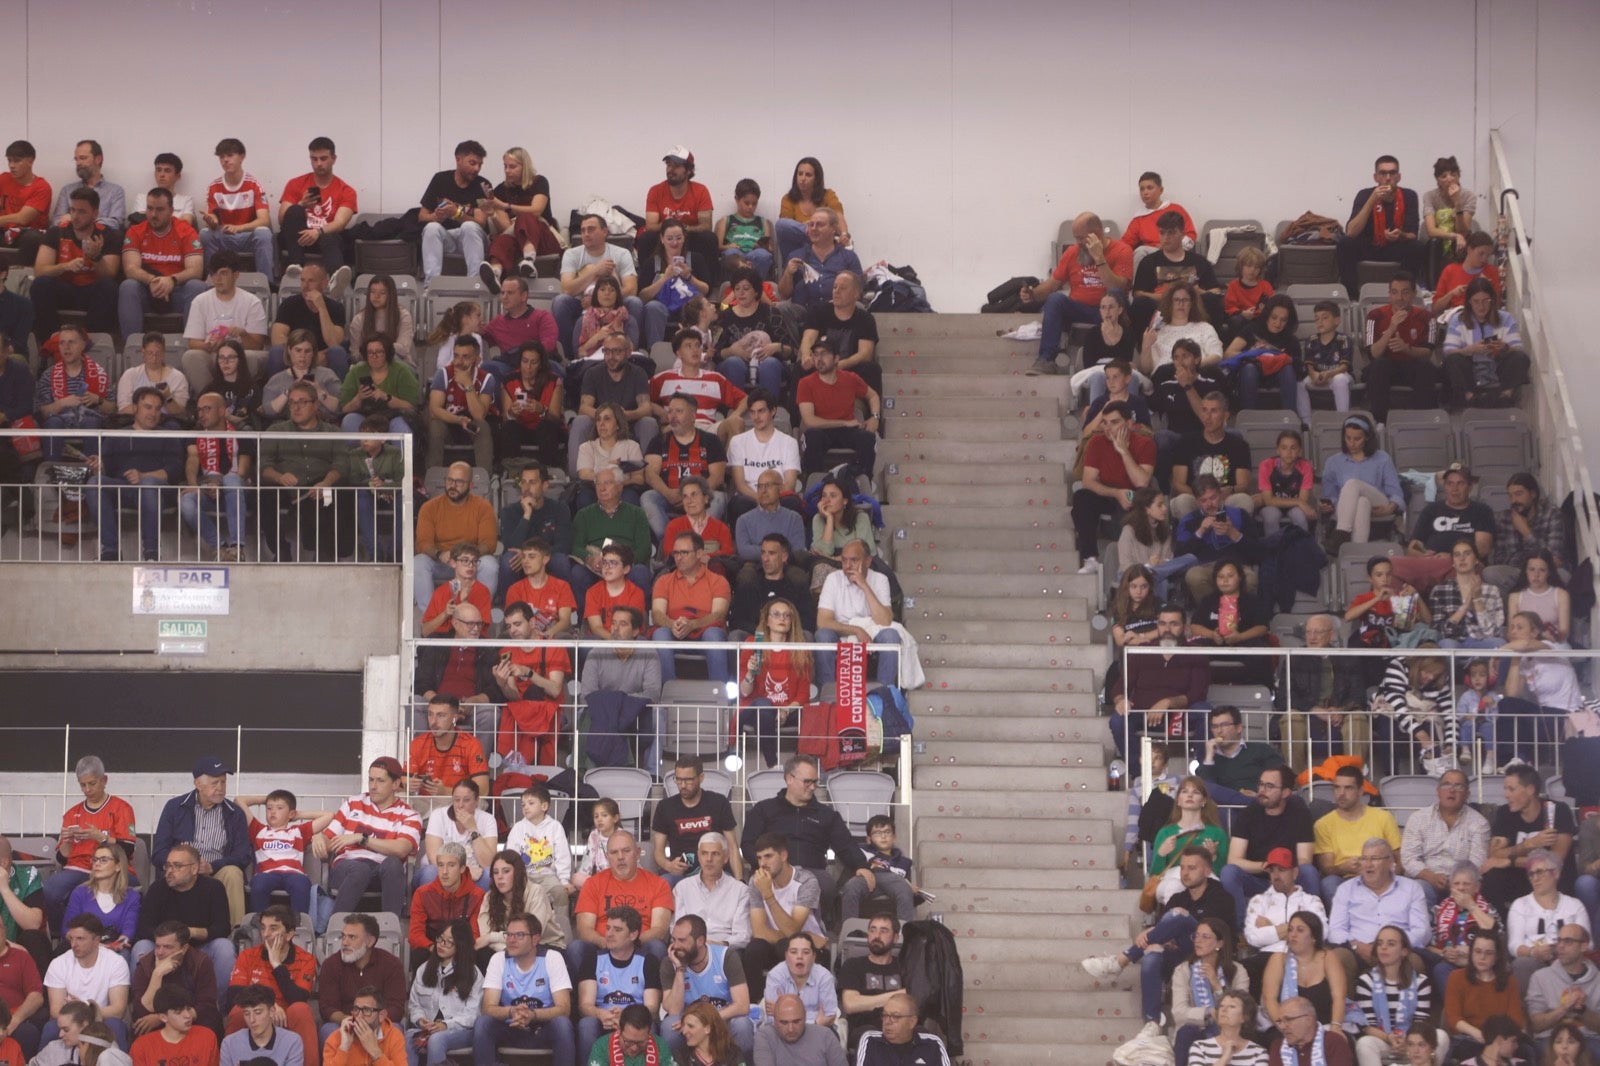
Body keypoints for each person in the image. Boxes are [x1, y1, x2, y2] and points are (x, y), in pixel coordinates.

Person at [1083, 847, 1235, 1056]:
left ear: (1207, 871)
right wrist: (1154, 934)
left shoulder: (1221, 897)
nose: (1185, 873)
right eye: (1182, 868)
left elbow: (1218, 935)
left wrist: (1175, 924)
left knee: (1178, 916)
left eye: (1192, 868)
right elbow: (1163, 933)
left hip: (1212, 957)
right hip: (1182, 956)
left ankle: (1120, 961)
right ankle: (1152, 1023)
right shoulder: (1178, 898)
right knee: (1153, 951)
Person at [317, 759, 424, 918]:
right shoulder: (353, 803)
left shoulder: (409, 815)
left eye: (380, 781)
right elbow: (328, 840)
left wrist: (362, 839)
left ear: (395, 784)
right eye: (371, 779)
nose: (373, 786)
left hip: (380, 873)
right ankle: (336, 925)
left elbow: (402, 849)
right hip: (347, 868)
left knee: (393, 864)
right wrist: (319, 838)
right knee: (360, 869)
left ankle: (389, 926)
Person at [1108, 603, 1211, 759]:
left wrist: (1167, 702)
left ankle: (1204, 769)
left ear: (1184, 627)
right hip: (1144, 713)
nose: (1167, 629)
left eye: (1174, 624)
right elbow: (1119, 688)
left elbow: (1197, 695)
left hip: (1181, 715)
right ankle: (1137, 769)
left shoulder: (1196, 653)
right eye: (1162, 624)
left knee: (1204, 710)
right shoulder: (1143, 651)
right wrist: (1121, 700)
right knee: (1117, 720)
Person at [473, 910, 576, 1065]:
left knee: (562, 1024)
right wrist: (511, 1011)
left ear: (535, 939)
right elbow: (487, 1007)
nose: (511, 940)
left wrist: (532, 1015)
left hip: (543, 1028)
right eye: (509, 934)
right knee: (483, 1023)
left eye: (519, 935)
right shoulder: (498, 959)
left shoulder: (552, 958)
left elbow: (564, 1009)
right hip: (511, 1027)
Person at [1225, 771, 1319, 929]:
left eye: (1269, 786)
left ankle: (1311, 928)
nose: (1262, 790)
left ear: (1286, 792)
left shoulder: (1300, 814)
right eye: (1261, 784)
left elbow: (1305, 860)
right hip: (1257, 879)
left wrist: (1281, 870)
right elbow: (1233, 860)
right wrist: (1266, 866)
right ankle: (1240, 932)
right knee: (1229, 872)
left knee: (1309, 871)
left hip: (1290, 878)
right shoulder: (1248, 813)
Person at [568, 833, 673, 976]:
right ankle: (584, 990)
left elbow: (659, 930)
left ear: (637, 853)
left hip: (640, 946)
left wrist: (628, 942)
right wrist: (605, 942)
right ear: (607, 856)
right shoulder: (593, 884)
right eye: (614, 852)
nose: (620, 857)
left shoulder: (659, 884)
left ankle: (652, 990)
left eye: (626, 851)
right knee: (576, 948)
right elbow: (584, 929)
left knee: (657, 947)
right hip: (602, 946)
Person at [222, 906, 317, 1061]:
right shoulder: (247, 956)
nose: (265, 934)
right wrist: (269, 1005)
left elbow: (298, 998)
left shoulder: (306, 959)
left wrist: (276, 964)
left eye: (273, 928)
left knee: (301, 1010)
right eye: (263, 928)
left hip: (286, 1016)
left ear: (289, 934)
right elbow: (233, 997)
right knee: (238, 1011)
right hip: (256, 1011)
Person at [1279, 614, 1373, 770]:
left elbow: (1358, 696)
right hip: (1306, 714)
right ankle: (1294, 779)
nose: (1312, 637)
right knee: (1291, 717)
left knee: (1357, 716)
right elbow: (1284, 698)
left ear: (1332, 635)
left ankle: (1353, 777)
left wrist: (1342, 710)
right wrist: (1314, 710)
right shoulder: (1294, 659)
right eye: (1308, 632)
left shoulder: (1348, 659)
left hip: (1339, 715)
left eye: (1318, 632)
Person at [1071, 401, 1155, 574]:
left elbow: (1141, 482)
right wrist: (1116, 493)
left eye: (1115, 422)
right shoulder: (1096, 442)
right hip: (1108, 494)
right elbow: (1088, 481)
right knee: (1082, 497)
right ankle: (1090, 558)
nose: (1108, 428)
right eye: (1105, 423)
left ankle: (1137, 559)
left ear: (1129, 424)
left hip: (1134, 495)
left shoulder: (1145, 444)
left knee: (1140, 497)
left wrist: (1123, 451)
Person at [1483, 766, 1579, 913]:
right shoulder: (1504, 813)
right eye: (1505, 789)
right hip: (1521, 878)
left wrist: (1510, 861)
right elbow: (1494, 855)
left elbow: (1555, 861)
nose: (1506, 795)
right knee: (1492, 876)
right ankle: (1499, 923)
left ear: (1530, 790)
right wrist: (1529, 844)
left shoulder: (1557, 810)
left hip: (1553, 879)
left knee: (1549, 874)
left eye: (1511, 789)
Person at [660, 915, 753, 1061]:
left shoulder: (726, 957)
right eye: (673, 939)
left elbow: (742, 1006)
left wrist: (706, 1020)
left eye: (682, 940)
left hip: (721, 1020)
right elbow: (674, 1010)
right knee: (669, 1025)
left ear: (700, 941)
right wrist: (679, 969)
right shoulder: (670, 962)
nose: (675, 946)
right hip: (687, 1024)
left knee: (742, 1025)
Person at [1351, 925, 1447, 1066]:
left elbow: (1420, 1023)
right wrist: (1389, 1038)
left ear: (1404, 951)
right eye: (1380, 943)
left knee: (1441, 1036)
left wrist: (1407, 1042)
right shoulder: (1366, 981)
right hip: (1383, 1041)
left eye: (1391, 944)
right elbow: (1367, 1026)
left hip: (1413, 1044)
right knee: (1364, 1043)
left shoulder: (1421, 982)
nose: (1383, 948)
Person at [554, 214, 647, 358]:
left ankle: (632, 352)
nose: (586, 234)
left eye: (591, 229)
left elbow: (631, 289)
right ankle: (567, 357)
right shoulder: (571, 254)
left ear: (605, 231)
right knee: (560, 301)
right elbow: (567, 289)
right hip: (581, 304)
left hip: (615, 304)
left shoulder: (621, 253)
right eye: (583, 230)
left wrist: (598, 300)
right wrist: (596, 271)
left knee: (634, 302)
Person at [116, 189, 204, 341]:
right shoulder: (135, 231)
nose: (153, 214)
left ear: (171, 210)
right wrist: (152, 280)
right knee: (128, 286)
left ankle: (193, 345)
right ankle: (131, 346)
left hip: (177, 291)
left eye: (160, 209)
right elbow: (130, 269)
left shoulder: (186, 231)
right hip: (147, 290)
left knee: (196, 286)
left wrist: (171, 280)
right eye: (149, 208)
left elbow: (196, 270)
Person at [744, 835, 828, 992]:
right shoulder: (757, 881)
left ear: (783, 856)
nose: (762, 864)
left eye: (768, 856)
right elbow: (759, 932)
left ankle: (797, 999)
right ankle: (755, 1001)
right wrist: (805, 935)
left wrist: (768, 894)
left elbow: (792, 930)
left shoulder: (806, 881)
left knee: (785, 946)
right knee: (754, 949)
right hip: (782, 943)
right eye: (759, 858)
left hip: (810, 949)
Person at [574, 906, 662, 1056]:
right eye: (608, 928)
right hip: (603, 1019)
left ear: (633, 934)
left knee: (649, 1027)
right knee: (587, 1024)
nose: (609, 934)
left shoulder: (648, 961)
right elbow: (584, 1006)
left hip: (636, 1020)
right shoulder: (593, 959)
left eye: (617, 930)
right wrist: (601, 1014)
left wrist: (627, 1017)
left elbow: (652, 1007)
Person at [651, 530, 733, 683]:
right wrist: (672, 624)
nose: (678, 557)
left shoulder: (718, 581)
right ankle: (667, 693)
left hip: (705, 633)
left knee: (713, 635)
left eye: (684, 553)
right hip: (674, 632)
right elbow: (657, 614)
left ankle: (719, 693)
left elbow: (719, 615)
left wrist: (693, 624)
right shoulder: (663, 581)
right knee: (660, 635)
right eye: (676, 553)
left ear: (699, 553)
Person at [1166, 918, 1250, 1066]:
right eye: (1196, 936)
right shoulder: (1183, 970)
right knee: (1186, 1032)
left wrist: (1217, 986)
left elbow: (1242, 1010)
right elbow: (1179, 1012)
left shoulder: (1238, 971)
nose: (1198, 941)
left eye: (1205, 937)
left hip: (1226, 1031)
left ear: (1219, 944)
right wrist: (1209, 1012)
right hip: (1194, 1031)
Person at [1400, 771, 1491, 908]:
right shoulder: (1418, 818)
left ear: (1467, 794)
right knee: (1418, 890)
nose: (1451, 790)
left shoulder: (1479, 823)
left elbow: (1477, 863)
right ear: (1438, 791)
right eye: (1446, 785)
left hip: (1462, 883)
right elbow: (1408, 858)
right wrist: (1430, 876)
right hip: (1425, 879)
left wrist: (1456, 881)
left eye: (1458, 786)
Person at [1314, 766, 1402, 906]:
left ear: (1360, 791)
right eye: (1337, 788)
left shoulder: (1383, 817)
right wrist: (1343, 868)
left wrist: (1385, 875)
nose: (1341, 794)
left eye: (1348, 788)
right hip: (1345, 879)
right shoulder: (1323, 824)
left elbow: (1399, 859)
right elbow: (1327, 868)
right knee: (1329, 883)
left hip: (1380, 877)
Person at [1340, 156, 1426, 297]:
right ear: (1375, 177)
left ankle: (1404, 293)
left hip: (1395, 246)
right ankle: (1352, 297)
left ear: (1398, 177)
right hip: (1370, 246)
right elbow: (1351, 232)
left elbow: (1412, 235)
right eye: (1383, 173)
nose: (1388, 178)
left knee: (1416, 247)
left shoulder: (1409, 195)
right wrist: (1372, 200)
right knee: (1345, 243)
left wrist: (1401, 234)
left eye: (1392, 173)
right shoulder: (1365, 194)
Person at [1321, 413, 1406, 555]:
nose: (1351, 443)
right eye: (1348, 438)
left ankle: (1341, 534)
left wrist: (1390, 508)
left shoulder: (1382, 458)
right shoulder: (1333, 462)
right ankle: (1357, 554)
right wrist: (1327, 505)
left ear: (1366, 437)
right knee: (1361, 502)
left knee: (1353, 484)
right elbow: (1330, 496)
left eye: (1357, 439)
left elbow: (1396, 492)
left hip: (1378, 503)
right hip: (1346, 509)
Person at [180, 250, 269, 384]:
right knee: (191, 356)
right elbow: (193, 342)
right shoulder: (200, 301)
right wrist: (209, 345)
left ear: (236, 275)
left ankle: (239, 394)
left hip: (241, 354)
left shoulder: (252, 302)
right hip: (213, 354)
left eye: (223, 273)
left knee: (250, 357)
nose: (218, 279)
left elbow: (258, 345)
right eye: (214, 274)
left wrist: (243, 335)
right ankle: (208, 394)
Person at [1506, 848, 1590, 990]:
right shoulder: (1520, 905)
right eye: (1531, 874)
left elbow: (1588, 942)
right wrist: (1533, 952)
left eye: (1539, 872)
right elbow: (1514, 945)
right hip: (1534, 960)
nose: (1535, 878)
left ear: (1555, 873)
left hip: (1569, 960)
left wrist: (1565, 950)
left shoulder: (1574, 905)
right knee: (1522, 964)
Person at [42, 916, 130, 1049]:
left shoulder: (116, 963)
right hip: (70, 1020)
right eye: (71, 938)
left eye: (80, 939)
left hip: (101, 1019)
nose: (73, 944)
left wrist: (84, 1009)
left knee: (115, 1026)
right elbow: (55, 1011)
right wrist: (81, 1013)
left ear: (96, 940)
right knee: (51, 1028)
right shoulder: (58, 964)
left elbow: (118, 1010)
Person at [1362, 272, 1438, 425]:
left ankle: (1423, 421)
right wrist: (1391, 328)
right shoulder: (1374, 316)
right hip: (1385, 366)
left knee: (1426, 367)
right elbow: (1373, 354)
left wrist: (1406, 349)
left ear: (1413, 294)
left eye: (1405, 292)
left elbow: (1427, 353)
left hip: (1412, 365)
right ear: (1389, 294)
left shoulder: (1427, 318)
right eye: (1395, 292)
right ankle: (1379, 422)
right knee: (1379, 365)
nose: (1399, 298)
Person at [402, 916, 479, 1066]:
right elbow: (414, 1005)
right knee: (408, 1038)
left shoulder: (472, 973)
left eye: (448, 942)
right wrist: (420, 1020)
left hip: (461, 1030)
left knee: (437, 1039)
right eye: (440, 939)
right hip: (428, 1028)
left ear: (461, 945)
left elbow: (473, 1014)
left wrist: (445, 1025)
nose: (441, 945)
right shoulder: (424, 969)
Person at [480, 146, 561, 288]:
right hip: (517, 239)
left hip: (543, 239)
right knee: (502, 239)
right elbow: (506, 228)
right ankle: (495, 273)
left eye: (512, 167)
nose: (507, 171)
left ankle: (529, 259)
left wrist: (505, 206)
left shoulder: (539, 182)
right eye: (505, 166)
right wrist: (492, 213)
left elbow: (537, 210)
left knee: (526, 217)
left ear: (525, 166)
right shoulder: (501, 189)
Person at [1442, 278, 1530, 408]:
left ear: (1492, 300)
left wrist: (1505, 347)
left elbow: (1518, 348)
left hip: (1498, 366)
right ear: (1469, 302)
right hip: (1469, 368)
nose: (1481, 306)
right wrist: (1468, 350)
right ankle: (1470, 397)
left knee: (1520, 358)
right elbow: (1448, 351)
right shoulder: (1458, 319)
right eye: (1476, 301)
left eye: (1485, 301)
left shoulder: (1505, 318)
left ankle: (1506, 395)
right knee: (1453, 360)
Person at [774, 208, 861, 338]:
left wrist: (839, 301)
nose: (813, 228)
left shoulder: (848, 257)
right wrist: (788, 273)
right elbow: (784, 294)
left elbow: (858, 290)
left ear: (833, 229)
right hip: (804, 312)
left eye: (819, 225)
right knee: (782, 307)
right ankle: (796, 347)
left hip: (837, 311)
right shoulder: (796, 255)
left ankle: (844, 347)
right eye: (811, 224)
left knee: (859, 307)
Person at [277, 136, 357, 275]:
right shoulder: (295, 184)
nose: (318, 163)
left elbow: (340, 223)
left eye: (323, 159)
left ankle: (335, 277)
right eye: (314, 159)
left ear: (334, 159)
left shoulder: (346, 191)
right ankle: (296, 266)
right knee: (294, 210)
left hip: (325, 239)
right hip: (298, 239)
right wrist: (301, 204)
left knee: (329, 236)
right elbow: (282, 219)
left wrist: (317, 232)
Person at [1443, 933, 1528, 1064]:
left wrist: (1498, 1041)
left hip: (1502, 1040)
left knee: (1527, 1050)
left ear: (1496, 957)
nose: (1482, 957)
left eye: (1488, 953)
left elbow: (1515, 1020)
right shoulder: (1456, 977)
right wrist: (1478, 1034)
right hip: (1469, 1038)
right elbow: (1453, 1018)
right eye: (1477, 951)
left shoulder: (1509, 982)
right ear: (1471, 953)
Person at [1169, 393, 1253, 519]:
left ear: (1225, 416)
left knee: (1244, 500)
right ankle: (1195, 532)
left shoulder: (1239, 445)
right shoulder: (1185, 442)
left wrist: (1230, 491)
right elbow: (1178, 483)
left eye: (1213, 411)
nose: (1207, 417)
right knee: (1182, 501)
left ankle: (1228, 531)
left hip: (1224, 499)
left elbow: (1243, 485)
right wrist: (1203, 498)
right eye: (1204, 410)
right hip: (1195, 498)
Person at [418, 140, 491, 283]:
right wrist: (435, 216)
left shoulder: (484, 185)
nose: (476, 169)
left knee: (469, 227)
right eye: (472, 163)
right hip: (448, 237)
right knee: (431, 228)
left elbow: (481, 222)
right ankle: (431, 286)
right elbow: (422, 216)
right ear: (458, 159)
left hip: (474, 238)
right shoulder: (440, 179)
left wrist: (456, 213)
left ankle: (475, 284)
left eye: (480, 164)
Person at [198, 138, 273, 277]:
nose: (225, 160)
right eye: (222, 157)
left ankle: (266, 282)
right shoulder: (214, 187)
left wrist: (239, 228)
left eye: (230, 155)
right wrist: (212, 221)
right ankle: (211, 279)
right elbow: (213, 218)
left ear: (242, 157)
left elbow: (264, 220)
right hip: (225, 236)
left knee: (263, 233)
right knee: (205, 234)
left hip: (247, 236)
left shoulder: (253, 184)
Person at [798, 269, 880, 395]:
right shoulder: (819, 312)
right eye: (835, 287)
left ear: (856, 294)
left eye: (843, 288)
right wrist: (806, 356)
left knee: (872, 369)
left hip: (849, 367)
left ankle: (873, 407)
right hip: (821, 364)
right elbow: (808, 339)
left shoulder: (865, 319)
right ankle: (798, 408)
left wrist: (839, 365)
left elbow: (865, 354)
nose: (836, 291)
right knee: (800, 368)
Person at [475, 852, 561, 968]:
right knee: (481, 952)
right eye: (495, 872)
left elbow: (531, 934)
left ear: (518, 873)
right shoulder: (489, 897)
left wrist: (492, 938)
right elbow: (484, 936)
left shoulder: (536, 891)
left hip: (543, 945)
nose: (500, 877)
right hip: (506, 947)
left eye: (506, 871)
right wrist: (506, 950)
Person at [1262, 912, 1346, 1030]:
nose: (1293, 935)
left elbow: (1339, 997)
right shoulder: (1278, 959)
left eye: (1300, 930)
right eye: (1290, 930)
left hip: (1326, 1027)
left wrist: (1335, 1027)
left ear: (1314, 937)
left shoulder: (1328, 957)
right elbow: (1269, 999)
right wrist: (1284, 1028)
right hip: (1286, 1029)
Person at [1526, 924, 1600, 1058]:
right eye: (1559, 940)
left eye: (1568, 941)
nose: (1560, 946)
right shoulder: (1540, 977)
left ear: (1584, 946)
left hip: (1588, 1038)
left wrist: (1582, 1010)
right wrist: (1564, 1008)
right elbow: (1536, 1025)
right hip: (1551, 1038)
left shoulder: (1598, 980)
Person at [1190, 567, 1272, 680]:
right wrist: (1212, 635)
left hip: (1245, 643)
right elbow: (1195, 626)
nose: (1225, 580)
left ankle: (1258, 688)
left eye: (1230, 576)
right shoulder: (1208, 600)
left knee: (1260, 652)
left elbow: (1263, 627)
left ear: (1240, 577)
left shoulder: (1251, 601)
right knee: (1192, 651)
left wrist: (1240, 637)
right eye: (1220, 577)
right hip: (1213, 643)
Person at [672, 834, 750, 952]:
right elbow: (676, 928)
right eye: (704, 853)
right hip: (691, 950)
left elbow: (743, 935)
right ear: (698, 856)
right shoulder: (682, 888)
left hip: (725, 949)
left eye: (715, 854)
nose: (709, 859)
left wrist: (719, 944)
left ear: (726, 857)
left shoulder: (740, 890)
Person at [837, 913, 902, 1051]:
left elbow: (914, 1001)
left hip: (900, 1028)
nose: (876, 936)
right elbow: (850, 1004)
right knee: (871, 1035)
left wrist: (867, 1002)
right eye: (872, 930)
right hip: (865, 1030)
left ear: (896, 937)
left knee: (924, 1035)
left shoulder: (905, 967)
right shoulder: (853, 965)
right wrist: (899, 995)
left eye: (883, 931)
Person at [1151, 776, 1230, 879]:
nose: (1190, 795)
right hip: (1172, 881)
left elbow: (1223, 875)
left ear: (1203, 801)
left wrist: (1213, 856)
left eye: (1196, 792)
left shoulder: (1217, 833)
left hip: (1205, 882)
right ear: (1178, 800)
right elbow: (1154, 875)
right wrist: (1161, 854)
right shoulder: (1165, 833)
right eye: (1184, 791)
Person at [340, 333, 418, 435]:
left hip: (394, 415)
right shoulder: (356, 371)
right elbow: (344, 408)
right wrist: (358, 398)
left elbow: (411, 406)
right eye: (370, 352)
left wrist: (386, 397)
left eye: (379, 352)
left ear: (387, 353)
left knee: (401, 427)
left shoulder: (402, 370)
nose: (374, 356)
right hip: (364, 415)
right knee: (349, 421)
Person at [129, 985, 217, 1066]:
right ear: (163, 1017)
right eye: (179, 1012)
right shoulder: (141, 1046)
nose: (188, 1015)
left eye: (188, 1009)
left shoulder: (206, 1036)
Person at [1299, 299, 1356, 420]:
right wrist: (1313, 374)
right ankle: (1306, 422)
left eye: (1324, 318)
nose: (1320, 322)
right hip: (1318, 375)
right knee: (1299, 385)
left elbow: (1344, 367)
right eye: (1317, 319)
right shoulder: (1312, 339)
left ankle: (1343, 419)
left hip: (1339, 374)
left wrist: (1329, 374)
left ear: (1337, 320)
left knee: (1340, 379)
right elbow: (1309, 365)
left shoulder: (1344, 339)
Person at [754, 993, 847, 1066]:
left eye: (796, 1021)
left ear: (805, 1016)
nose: (790, 1029)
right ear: (774, 1020)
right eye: (784, 1023)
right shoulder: (765, 1036)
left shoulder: (825, 1036)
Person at [1255, 429, 1317, 536]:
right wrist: (1298, 502)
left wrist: (1299, 502)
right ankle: (1274, 546)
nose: (1288, 452)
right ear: (1278, 450)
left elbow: (1303, 500)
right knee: (1271, 516)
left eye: (1293, 448)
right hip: (1271, 506)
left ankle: (1302, 545)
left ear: (1300, 450)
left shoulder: (1306, 466)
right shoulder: (1266, 465)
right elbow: (1268, 501)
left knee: (1300, 516)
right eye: (1284, 448)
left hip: (1294, 506)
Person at [348, 277, 414, 369]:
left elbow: (403, 348)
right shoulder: (359, 319)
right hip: (369, 362)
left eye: (382, 293)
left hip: (399, 362)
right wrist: (373, 354)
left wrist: (376, 349)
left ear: (390, 295)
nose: (376, 296)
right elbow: (355, 354)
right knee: (359, 367)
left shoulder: (403, 315)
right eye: (373, 292)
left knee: (394, 360)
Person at [1505, 549, 1570, 644]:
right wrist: (1539, 636)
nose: (1536, 575)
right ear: (1525, 571)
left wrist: (1547, 637)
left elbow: (1564, 632)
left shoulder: (1561, 595)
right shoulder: (1515, 596)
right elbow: (1511, 633)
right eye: (1532, 569)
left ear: (1549, 572)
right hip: (1523, 644)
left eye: (1542, 570)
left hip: (1554, 644)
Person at [1271, 994, 1355, 1066]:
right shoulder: (1278, 1046)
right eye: (1280, 1021)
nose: (1282, 1026)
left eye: (1288, 1020)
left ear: (1309, 1019)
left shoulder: (1333, 1041)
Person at [0, 139, 50, 250]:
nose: (11, 165)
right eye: (9, 160)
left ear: (30, 161)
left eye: (17, 161)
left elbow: (22, 219)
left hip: (28, 234)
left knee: (32, 237)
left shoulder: (42, 187)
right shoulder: (4, 178)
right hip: (4, 231)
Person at [583, 1003, 669, 1066]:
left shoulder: (660, 1046)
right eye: (629, 1042)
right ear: (619, 1030)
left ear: (649, 1033)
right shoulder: (601, 1047)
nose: (634, 1048)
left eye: (640, 1043)